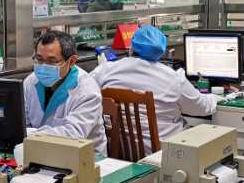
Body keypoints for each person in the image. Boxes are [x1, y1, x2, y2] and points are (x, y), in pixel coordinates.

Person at [92, 25, 220, 153]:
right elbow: (202, 108)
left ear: (132, 47)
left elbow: (87, 93)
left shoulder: (105, 71)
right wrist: (217, 97)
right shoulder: (173, 78)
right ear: (161, 51)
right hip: (163, 154)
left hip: (118, 152)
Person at [23, 30, 108, 156]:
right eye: (39, 59)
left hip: (84, 158)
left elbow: (73, 135)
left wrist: (29, 133)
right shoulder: (31, 82)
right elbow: (22, 122)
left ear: (71, 61)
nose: (43, 67)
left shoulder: (87, 91)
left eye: (52, 61)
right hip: (40, 153)